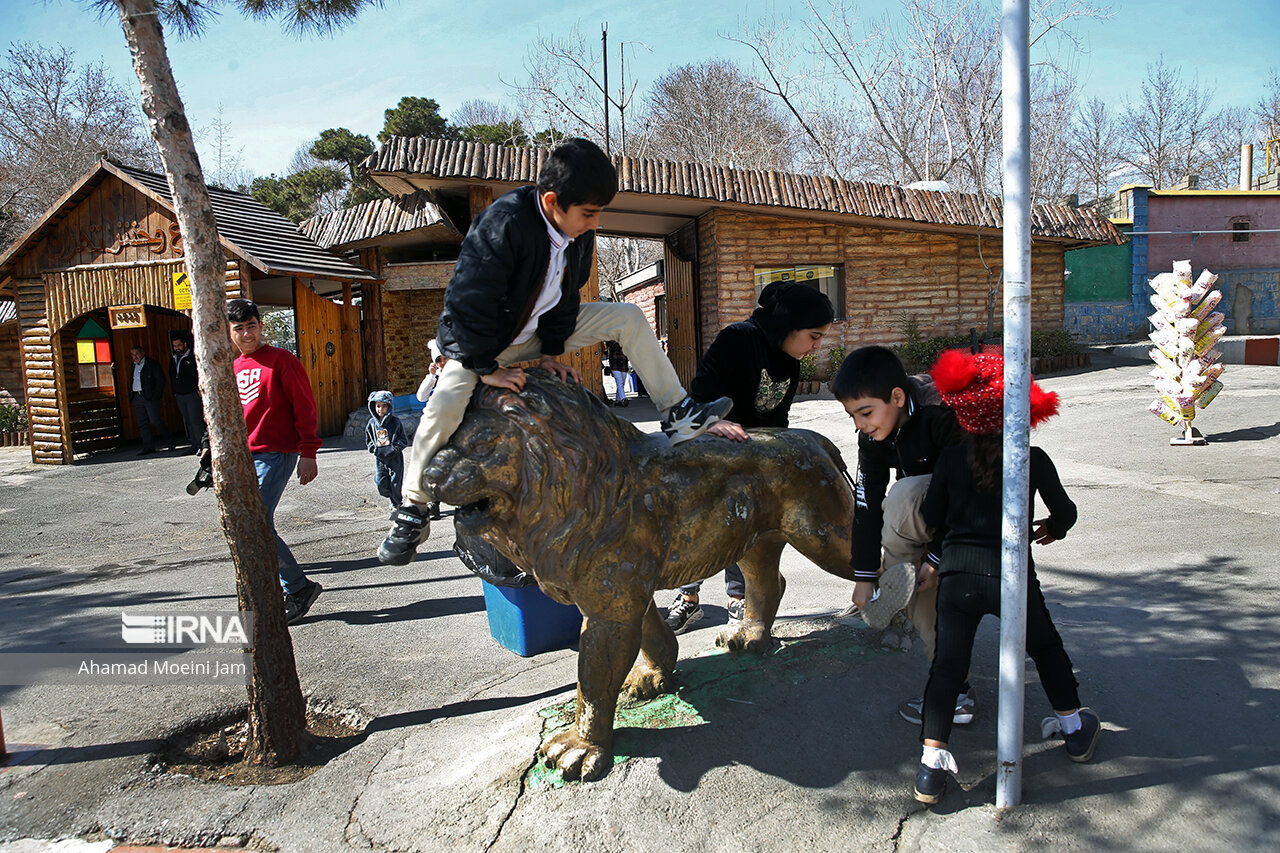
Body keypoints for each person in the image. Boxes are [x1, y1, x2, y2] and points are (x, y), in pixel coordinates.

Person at [378, 138, 731, 566]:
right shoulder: (502, 224)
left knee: (628, 318)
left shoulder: (576, 234)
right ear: (551, 201)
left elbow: (565, 299)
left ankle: (677, 412)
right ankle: (412, 508)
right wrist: (484, 367)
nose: (595, 222)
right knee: (445, 403)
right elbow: (466, 302)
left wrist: (549, 354)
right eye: (588, 213)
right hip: (478, 344)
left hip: (529, 335)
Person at [912, 348, 1097, 804]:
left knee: (948, 666)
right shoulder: (1031, 457)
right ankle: (1073, 728)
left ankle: (930, 769)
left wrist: (938, 547)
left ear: (964, 410)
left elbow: (933, 515)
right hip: (1012, 576)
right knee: (1046, 648)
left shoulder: (950, 461)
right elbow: (1067, 512)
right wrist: (1052, 529)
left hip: (957, 578)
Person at [664, 281, 835, 634]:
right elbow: (699, 397)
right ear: (789, 326)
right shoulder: (738, 339)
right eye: (814, 336)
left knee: (749, 527)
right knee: (698, 525)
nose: (818, 346)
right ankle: (689, 597)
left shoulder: (791, 357)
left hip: (753, 456)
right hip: (710, 448)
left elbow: (778, 418)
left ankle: (739, 599)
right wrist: (717, 422)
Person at [831, 345, 973, 725]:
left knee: (904, 494)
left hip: (975, 511)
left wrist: (939, 556)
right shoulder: (874, 436)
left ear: (897, 397)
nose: (860, 424)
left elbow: (966, 489)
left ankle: (916, 574)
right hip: (929, 514)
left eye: (865, 413)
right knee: (911, 583)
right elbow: (865, 502)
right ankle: (954, 691)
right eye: (852, 416)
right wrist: (863, 574)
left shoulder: (941, 414)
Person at [227, 298, 323, 625]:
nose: (246, 334)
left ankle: (297, 588)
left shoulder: (282, 360)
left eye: (251, 326)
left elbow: (305, 406)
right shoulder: (233, 367)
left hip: (278, 453)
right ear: (230, 332)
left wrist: (308, 452)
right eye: (239, 328)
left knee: (256, 522)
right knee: (250, 523)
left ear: (260, 326)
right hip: (245, 457)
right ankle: (287, 586)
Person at [365, 390, 408, 509]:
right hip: (380, 459)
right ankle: (386, 489)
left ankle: (396, 503)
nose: (380, 409)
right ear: (373, 407)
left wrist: (395, 448)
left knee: (395, 483)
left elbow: (403, 440)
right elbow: (369, 440)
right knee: (381, 483)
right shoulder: (372, 423)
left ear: (389, 407)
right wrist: (373, 449)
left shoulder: (396, 422)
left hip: (395, 458)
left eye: (384, 406)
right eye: (378, 406)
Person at [128, 345, 173, 456]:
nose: (135, 357)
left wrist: (156, 395)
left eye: (137, 354)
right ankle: (148, 446)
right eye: (133, 355)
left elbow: (160, 380)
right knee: (142, 423)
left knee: (155, 420)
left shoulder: (152, 364)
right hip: (137, 396)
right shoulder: (133, 366)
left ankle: (170, 441)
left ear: (142, 353)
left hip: (149, 396)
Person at [168, 329, 205, 453]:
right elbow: (172, 375)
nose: (177, 348)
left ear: (184, 344)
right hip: (180, 394)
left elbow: (198, 373)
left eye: (178, 345)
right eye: (174, 346)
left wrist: (198, 389)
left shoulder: (192, 357)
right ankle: (194, 444)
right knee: (188, 420)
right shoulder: (173, 359)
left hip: (192, 393)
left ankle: (202, 445)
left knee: (195, 420)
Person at [604, 339, 630, 407]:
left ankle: (618, 400)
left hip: (620, 361)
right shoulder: (612, 339)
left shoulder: (611, 339)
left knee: (622, 382)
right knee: (620, 381)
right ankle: (623, 398)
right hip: (616, 361)